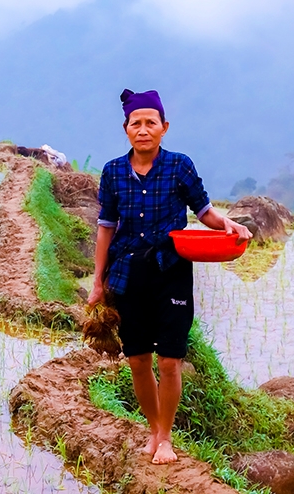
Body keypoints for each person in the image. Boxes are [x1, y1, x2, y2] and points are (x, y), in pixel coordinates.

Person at [87, 89, 252, 465]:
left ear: (164, 128)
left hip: (170, 272)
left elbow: (205, 212)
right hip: (127, 275)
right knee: (139, 360)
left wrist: (229, 225)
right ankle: (152, 429)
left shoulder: (180, 167)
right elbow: (106, 228)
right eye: (136, 123)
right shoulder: (113, 172)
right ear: (126, 129)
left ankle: (166, 436)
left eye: (150, 123)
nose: (143, 130)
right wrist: (98, 282)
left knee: (170, 361)